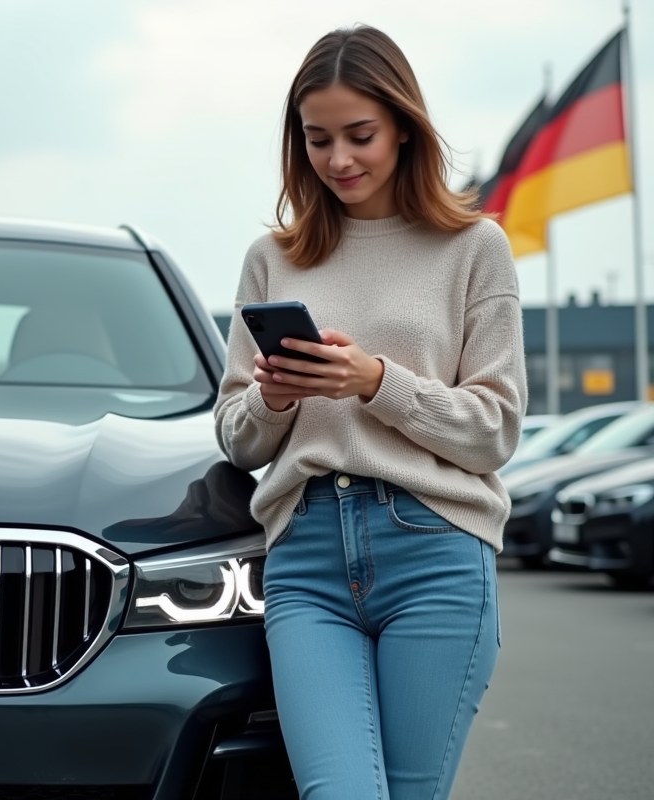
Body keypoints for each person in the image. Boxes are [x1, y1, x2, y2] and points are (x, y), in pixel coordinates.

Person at [213, 25, 527, 800]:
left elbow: (495, 432)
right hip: (307, 558)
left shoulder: (474, 249)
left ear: (404, 128)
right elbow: (235, 435)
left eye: (360, 135)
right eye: (317, 139)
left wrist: (374, 380)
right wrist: (277, 393)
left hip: (435, 550)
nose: (339, 160)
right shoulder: (272, 257)